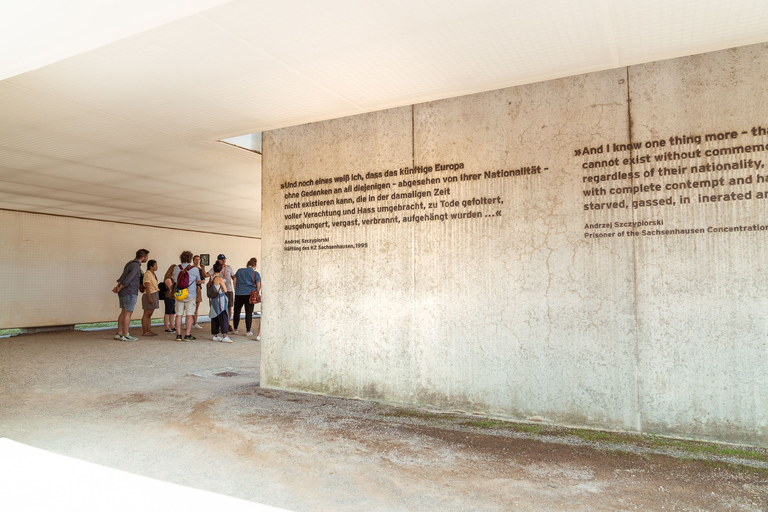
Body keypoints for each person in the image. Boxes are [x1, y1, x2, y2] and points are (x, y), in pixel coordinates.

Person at [112, 248, 149, 341]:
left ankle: (119, 333)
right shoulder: (136, 266)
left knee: (123, 312)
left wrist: (118, 287)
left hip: (123, 292)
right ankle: (126, 334)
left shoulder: (129, 264)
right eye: (147, 256)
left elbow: (122, 277)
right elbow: (129, 278)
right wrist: (120, 287)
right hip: (130, 291)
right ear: (143, 257)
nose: (147, 258)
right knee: (128, 313)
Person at [167, 251, 201, 342]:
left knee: (178, 314)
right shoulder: (195, 269)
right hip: (190, 294)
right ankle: (187, 335)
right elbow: (198, 280)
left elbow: (174, 280)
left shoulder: (176, 268)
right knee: (189, 315)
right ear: (190, 259)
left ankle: (178, 335)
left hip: (179, 294)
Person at [232, 257, 261, 339]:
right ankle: (248, 331)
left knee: (237, 311)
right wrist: (256, 293)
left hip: (239, 294)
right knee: (249, 313)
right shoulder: (256, 274)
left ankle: (235, 329)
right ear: (254, 266)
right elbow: (258, 285)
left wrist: (236, 290)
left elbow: (234, 281)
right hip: (249, 295)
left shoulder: (239, 271)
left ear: (247, 265)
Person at [209, 261, 232, 343]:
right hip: (220, 299)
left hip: (213, 299)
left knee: (214, 316)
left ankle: (214, 335)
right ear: (221, 270)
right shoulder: (219, 279)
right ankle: (225, 335)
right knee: (223, 316)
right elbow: (225, 290)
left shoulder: (210, 278)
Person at [215, 254, 235, 330]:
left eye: (224, 259)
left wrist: (235, 286)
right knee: (220, 307)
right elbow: (208, 275)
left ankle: (228, 323)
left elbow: (233, 277)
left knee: (229, 307)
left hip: (229, 290)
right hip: (220, 291)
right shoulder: (216, 268)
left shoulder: (229, 267)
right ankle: (220, 324)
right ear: (218, 260)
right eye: (221, 259)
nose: (224, 261)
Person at [140, 259, 160, 336]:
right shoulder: (147, 274)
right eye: (155, 265)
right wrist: (149, 297)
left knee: (150, 314)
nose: (156, 267)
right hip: (149, 294)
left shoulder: (152, 274)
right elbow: (147, 286)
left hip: (153, 293)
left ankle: (149, 330)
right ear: (151, 266)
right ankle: (145, 331)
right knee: (146, 314)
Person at [192, 254, 208, 330]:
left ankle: (195, 322)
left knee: (196, 306)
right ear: (193, 260)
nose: (198, 261)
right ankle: (190, 322)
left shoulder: (200, 270)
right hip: (191, 289)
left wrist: (198, 282)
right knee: (190, 306)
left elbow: (203, 280)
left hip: (198, 288)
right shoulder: (190, 269)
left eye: (199, 259)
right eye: (196, 259)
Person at [159, 264, 176, 333]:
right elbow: (171, 288)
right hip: (169, 296)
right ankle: (166, 327)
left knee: (172, 313)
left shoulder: (173, 277)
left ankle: (172, 326)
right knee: (168, 312)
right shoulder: (168, 278)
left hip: (172, 297)